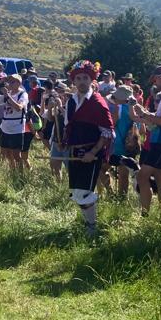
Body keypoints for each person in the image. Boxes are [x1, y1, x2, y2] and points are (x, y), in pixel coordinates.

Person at [59, 60, 114, 236]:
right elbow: (69, 126)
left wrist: (93, 152)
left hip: (91, 152)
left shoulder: (98, 102)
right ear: (73, 81)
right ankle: (88, 224)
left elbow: (107, 132)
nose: (82, 81)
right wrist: (64, 142)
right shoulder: (71, 102)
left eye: (85, 78)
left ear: (91, 80)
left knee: (84, 192)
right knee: (77, 191)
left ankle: (92, 228)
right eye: (78, 78)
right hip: (74, 152)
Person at [131, 66, 161, 215]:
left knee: (142, 175)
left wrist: (145, 114)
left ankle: (145, 214)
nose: (154, 83)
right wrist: (145, 114)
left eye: (156, 79)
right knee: (160, 177)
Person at [109, 85, 142, 197]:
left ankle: (114, 194)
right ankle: (122, 197)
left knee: (105, 169)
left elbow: (111, 124)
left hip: (117, 143)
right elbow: (141, 129)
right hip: (130, 144)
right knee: (124, 173)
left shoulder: (118, 108)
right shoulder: (135, 108)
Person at [0, 73, 32, 171]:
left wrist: (7, 96)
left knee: (16, 155)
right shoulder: (7, 94)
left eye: (13, 82)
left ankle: (20, 175)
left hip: (17, 127)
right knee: (7, 153)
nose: (10, 84)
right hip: (5, 127)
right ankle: (13, 172)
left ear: (19, 83)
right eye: (9, 82)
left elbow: (19, 107)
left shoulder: (23, 94)